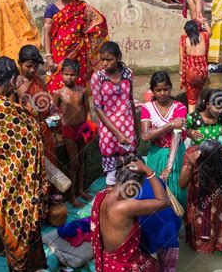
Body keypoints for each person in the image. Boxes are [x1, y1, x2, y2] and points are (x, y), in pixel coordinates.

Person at [0, 57, 49, 272]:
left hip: (3, 181)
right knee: (21, 228)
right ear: (10, 80)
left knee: (20, 229)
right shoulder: (3, 110)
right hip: (14, 184)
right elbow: (32, 130)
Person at [91, 156, 169, 272]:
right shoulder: (125, 206)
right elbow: (163, 201)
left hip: (107, 268)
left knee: (152, 265)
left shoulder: (101, 196)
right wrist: (149, 171)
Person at [44, 0, 109, 94]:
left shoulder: (82, 7)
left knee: (78, 87)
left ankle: (78, 112)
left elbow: (99, 22)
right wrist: (48, 57)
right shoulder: (50, 8)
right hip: (58, 55)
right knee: (56, 86)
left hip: (79, 56)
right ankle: (57, 112)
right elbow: (47, 34)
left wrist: (90, 44)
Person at [91, 41, 137, 187]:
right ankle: (111, 205)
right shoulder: (98, 77)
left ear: (118, 57)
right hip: (109, 131)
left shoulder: (128, 73)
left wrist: (136, 130)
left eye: (109, 59)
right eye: (102, 60)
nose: (104, 63)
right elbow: (98, 108)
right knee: (111, 173)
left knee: (130, 170)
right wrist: (117, 134)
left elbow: (130, 101)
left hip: (127, 127)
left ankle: (129, 203)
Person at [140, 71, 187, 208]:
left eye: (165, 89)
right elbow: (145, 136)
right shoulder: (147, 108)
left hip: (176, 154)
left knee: (178, 193)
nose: (162, 93)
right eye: (158, 90)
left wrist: (169, 166)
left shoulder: (180, 107)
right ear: (152, 90)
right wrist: (170, 125)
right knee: (155, 193)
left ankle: (179, 223)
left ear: (170, 88)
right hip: (156, 153)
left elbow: (176, 137)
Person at [53, 59, 93, 208]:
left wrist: (89, 127)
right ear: (61, 74)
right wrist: (56, 133)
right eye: (66, 74)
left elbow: (87, 110)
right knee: (74, 162)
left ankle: (80, 190)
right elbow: (53, 113)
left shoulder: (82, 91)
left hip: (82, 128)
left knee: (82, 160)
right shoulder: (58, 93)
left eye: (72, 74)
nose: (69, 77)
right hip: (68, 129)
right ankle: (71, 196)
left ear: (77, 75)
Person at [16, 45, 57, 165]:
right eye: (28, 66)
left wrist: (52, 113)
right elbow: (31, 107)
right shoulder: (18, 83)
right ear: (19, 63)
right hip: (30, 133)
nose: (33, 70)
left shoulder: (38, 80)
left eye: (36, 66)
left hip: (45, 129)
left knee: (51, 165)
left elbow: (46, 101)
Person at [179, 19, 211, 113]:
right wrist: (204, 22)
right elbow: (210, 31)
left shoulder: (184, 39)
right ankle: (200, 116)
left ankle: (191, 123)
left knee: (191, 101)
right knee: (200, 92)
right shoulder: (204, 36)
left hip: (191, 72)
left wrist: (181, 73)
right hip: (202, 72)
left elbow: (181, 58)